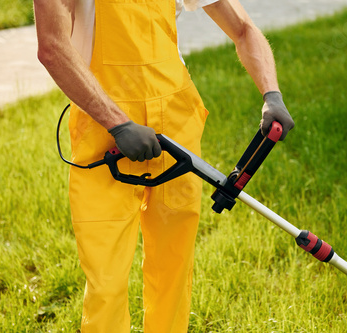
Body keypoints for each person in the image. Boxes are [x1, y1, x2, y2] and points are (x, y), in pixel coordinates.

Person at [33, 0, 294, 332]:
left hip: (176, 118)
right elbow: (52, 47)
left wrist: (272, 93)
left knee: (174, 265)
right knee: (106, 279)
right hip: (104, 129)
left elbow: (242, 28)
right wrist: (117, 123)